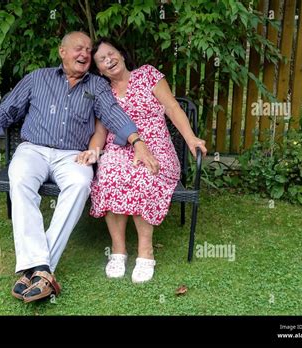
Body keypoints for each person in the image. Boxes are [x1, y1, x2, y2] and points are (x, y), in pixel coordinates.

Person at [0, 32, 159, 303]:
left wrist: (137, 140)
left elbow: (113, 114)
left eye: (88, 50)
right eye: (78, 48)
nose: (84, 54)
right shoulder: (38, 78)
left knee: (81, 184)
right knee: (20, 179)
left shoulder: (96, 86)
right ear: (62, 52)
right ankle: (43, 270)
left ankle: (35, 269)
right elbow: (7, 110)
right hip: (33, 149)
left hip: (73, 155)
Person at [76, 38, 207, 283]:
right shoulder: (104, 92)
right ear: (99, 70)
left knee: (143, 175)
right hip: (118, 149)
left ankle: (146, 252)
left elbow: (172, 108)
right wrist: (94, 151)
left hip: (156, 147)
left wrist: (191, 139)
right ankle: (118, 250)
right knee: (108, 176)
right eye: (102, 60)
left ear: (122, 55)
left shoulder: (148, 75)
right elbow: (101, 131)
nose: (109, 60)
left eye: (111, 53)